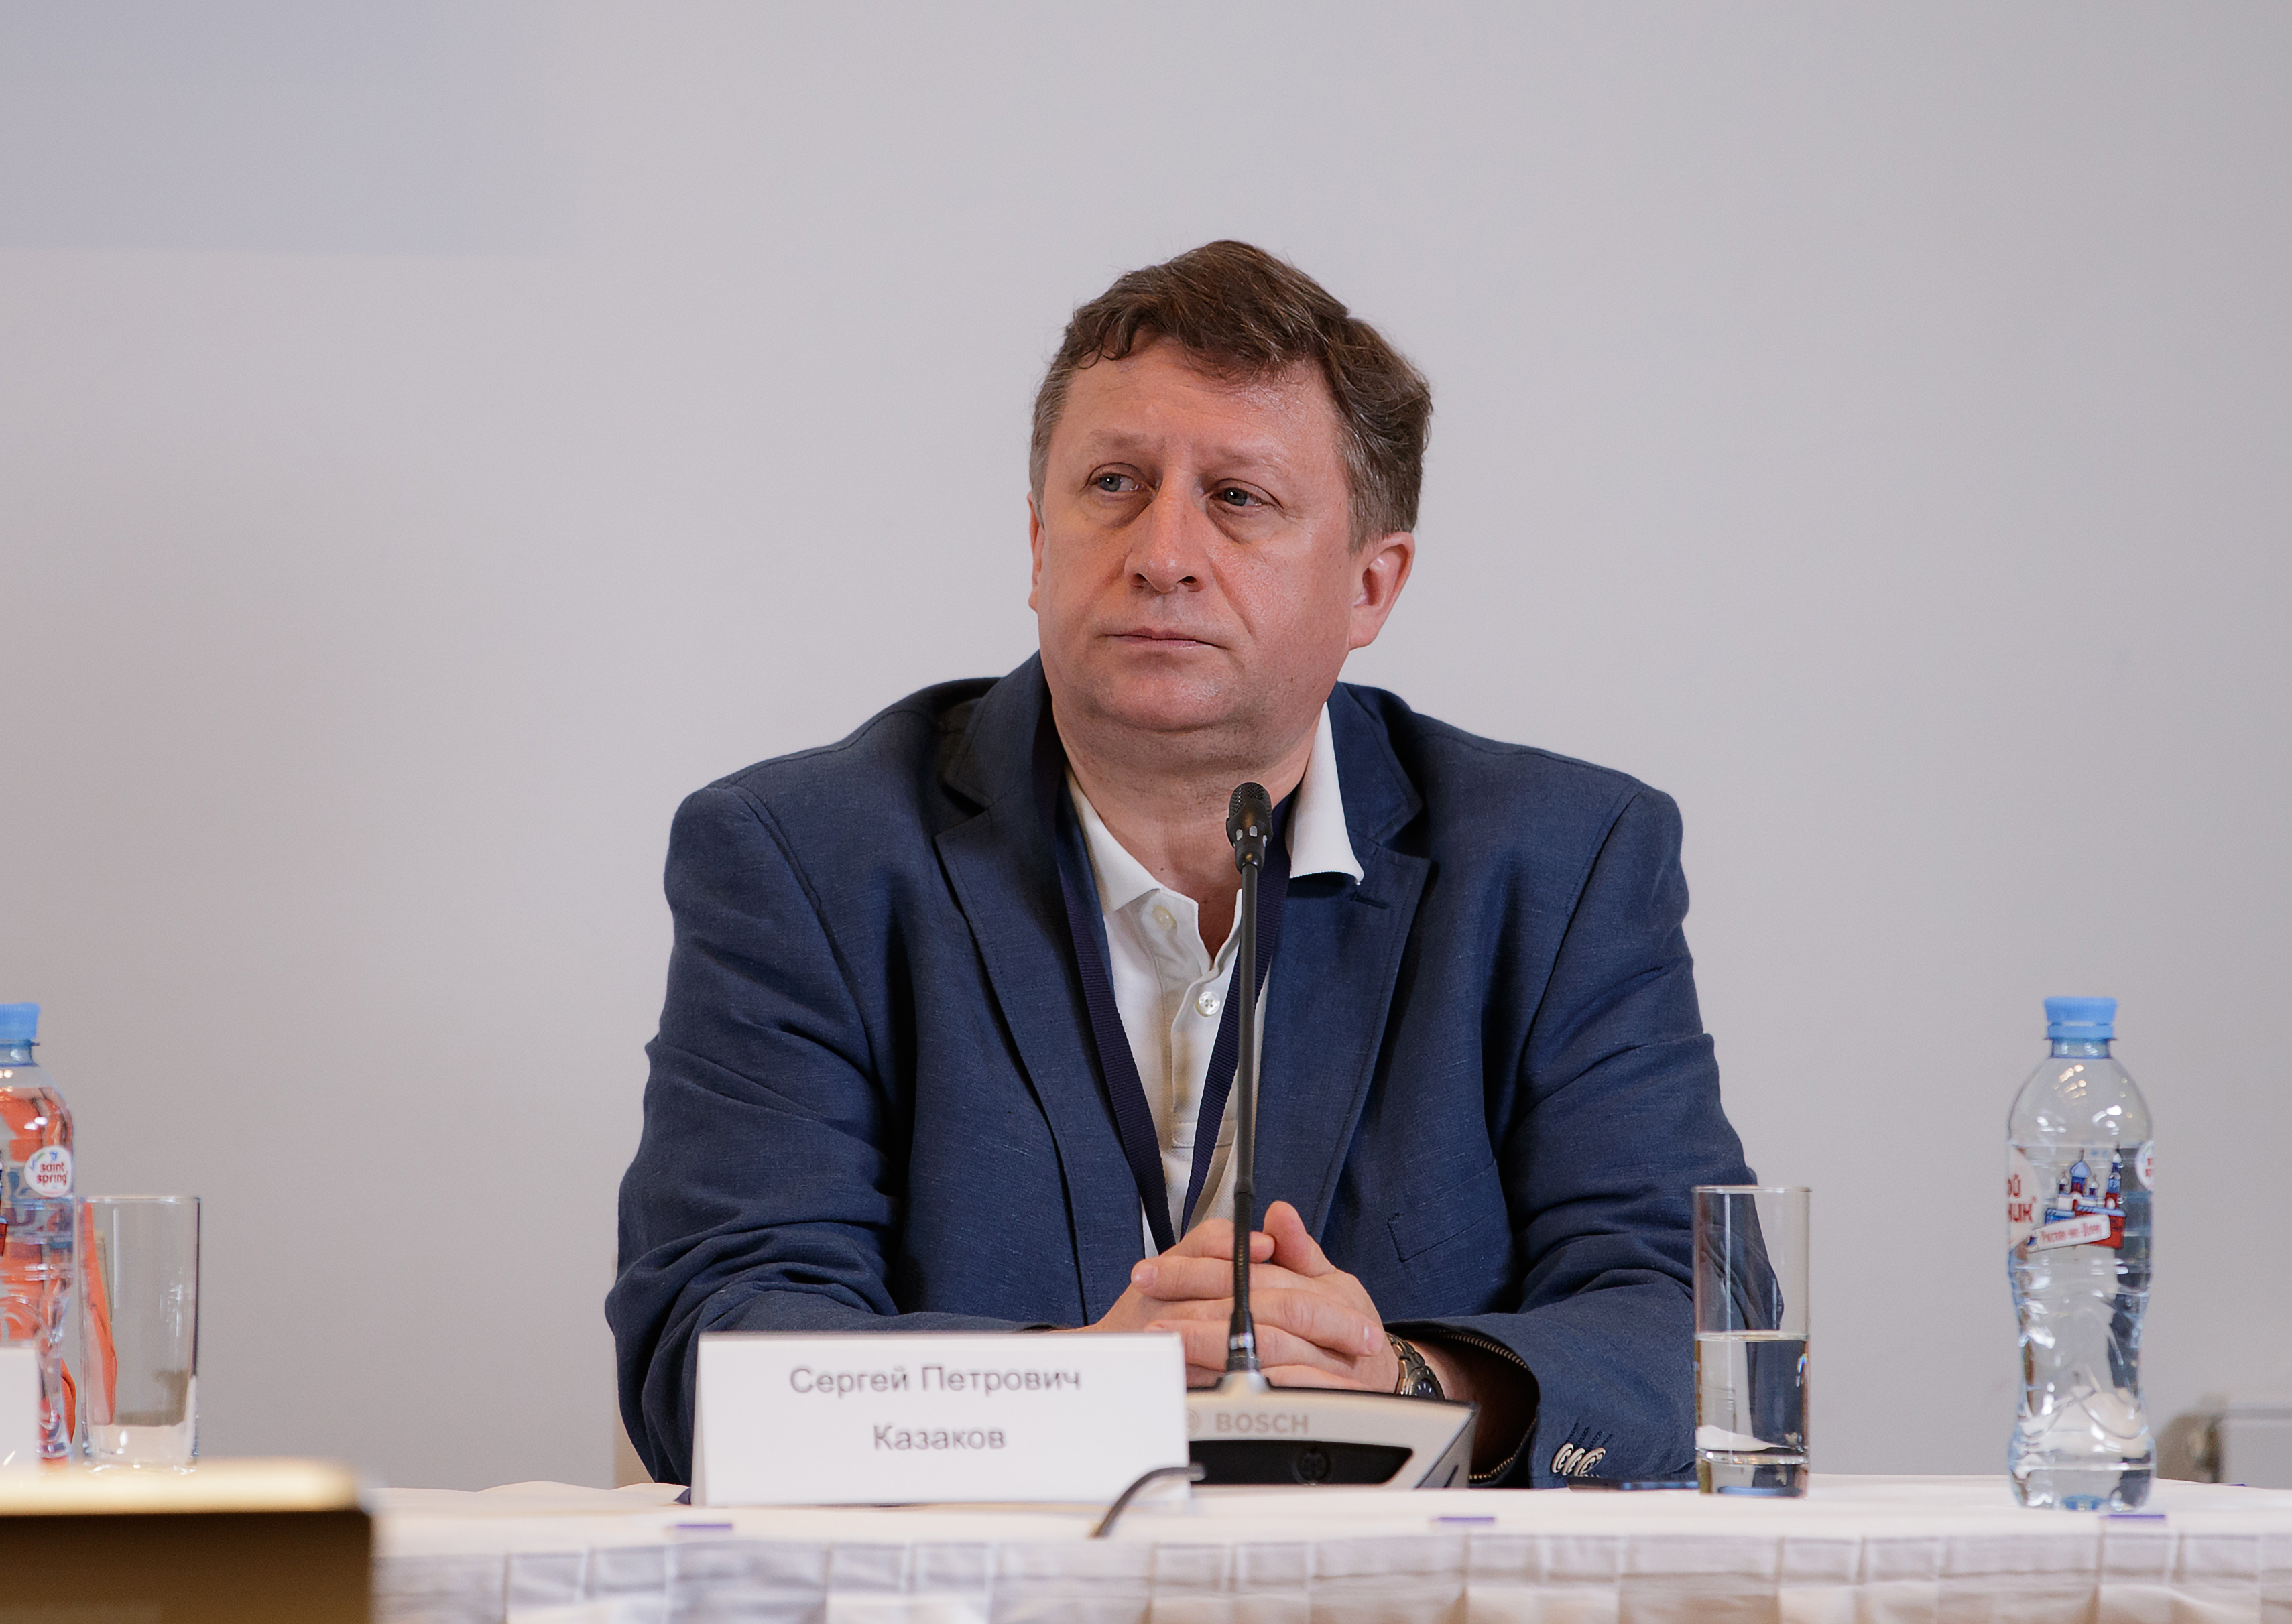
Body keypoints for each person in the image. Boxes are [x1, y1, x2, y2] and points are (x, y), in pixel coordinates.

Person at [609, 241, 1753, 1487]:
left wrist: (1407, 1385)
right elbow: (713, 1340)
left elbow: (1702, 1325)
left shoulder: (1562, 863)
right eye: (1113, 484)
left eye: (1238, 498)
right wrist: (1073, 1391)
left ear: (1371, 586)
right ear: (1037, 544)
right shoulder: (805, 858)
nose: (1162, 552)